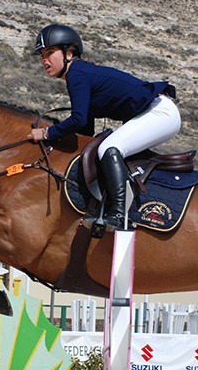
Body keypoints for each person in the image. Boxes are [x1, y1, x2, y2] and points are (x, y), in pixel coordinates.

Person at [27, 23, 181, 230]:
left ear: (69, 54)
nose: (44, 60)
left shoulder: (77, 74)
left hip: (160, 113)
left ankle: (117, 215)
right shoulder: (80, 74)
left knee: (109, 148)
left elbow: (78, 119)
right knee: (104, 148)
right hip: (154, 113)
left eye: (50, 52)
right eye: (41, 55)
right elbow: (85, 131)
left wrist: (46, 133)